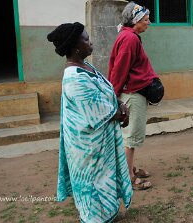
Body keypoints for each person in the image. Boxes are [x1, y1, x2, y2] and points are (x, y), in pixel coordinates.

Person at [47, 22, 134, 222]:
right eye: (86, 39)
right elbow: (96, 111)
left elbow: (106, 93)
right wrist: (122, 112)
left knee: (105, 181)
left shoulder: (86, 67)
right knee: (92, 184)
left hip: (100, 145)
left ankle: (108, 214)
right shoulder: (73, 79)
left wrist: (120, 104)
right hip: (87, 148)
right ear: (75, 47)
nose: (90, 42)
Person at [109, 2, 158, 190]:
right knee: (130, 139)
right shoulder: (129, 39)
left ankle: (129, 168)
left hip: (132, 92)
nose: (149, 22)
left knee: (129, 138)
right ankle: (128, 178)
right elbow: (119, 71)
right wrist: (114, 96)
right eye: (146, 20)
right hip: (132, 94)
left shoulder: (129, 36)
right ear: (136, 21)